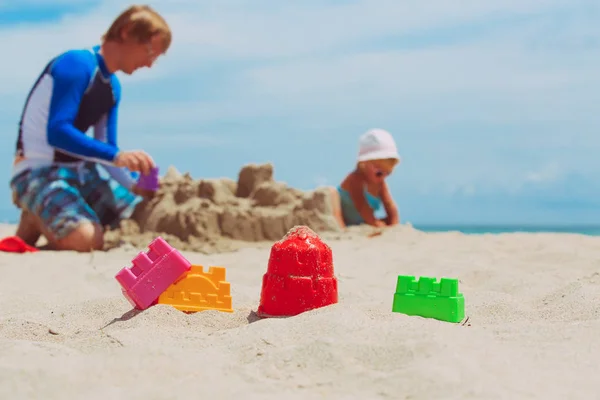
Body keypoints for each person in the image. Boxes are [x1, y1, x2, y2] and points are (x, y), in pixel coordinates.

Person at [9, 5, 171, 252]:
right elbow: (58, 132)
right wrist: (118, 156)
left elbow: (107, 150)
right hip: (38, 172)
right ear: (126, 32)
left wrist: (134, 185)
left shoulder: (112, 88)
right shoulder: (77, 64)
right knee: (87, 239)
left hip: (82, 173)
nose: (149, 64)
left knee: (134, 217)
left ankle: (48, 216)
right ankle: (33, 217)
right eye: (150, 52)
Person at [330, 128, 401, 229]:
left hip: (362, 223)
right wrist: (376, 224)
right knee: (332, 194)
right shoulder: (355, 179)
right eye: (379, 173)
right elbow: (362, 206)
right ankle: (341, 229)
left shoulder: (380, 184)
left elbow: (390, 206)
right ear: (363, 164)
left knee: (386, 221)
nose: (383, 177)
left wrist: (394, 224)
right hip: (345, 221)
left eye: (388, 173)